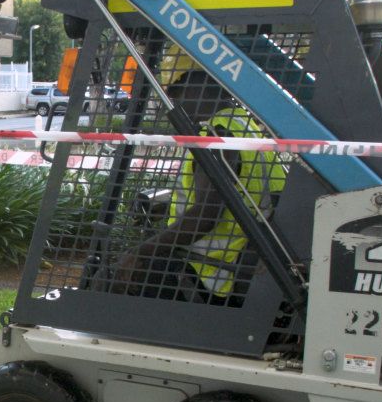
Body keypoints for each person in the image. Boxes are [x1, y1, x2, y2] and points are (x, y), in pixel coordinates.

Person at [104, 50, 286, 302]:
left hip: (212, 272)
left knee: (120, 279)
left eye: (174, 93)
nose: (174, 104)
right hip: (247, 265)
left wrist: (142, 252)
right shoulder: (244, 126)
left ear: (195, 84)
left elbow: (205, 216)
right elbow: (233, 197)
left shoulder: (216, 138)